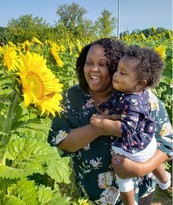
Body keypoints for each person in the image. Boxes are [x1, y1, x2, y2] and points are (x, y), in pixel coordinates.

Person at [48, 38, 172, 205]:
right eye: (89, 62)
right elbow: (60, 139)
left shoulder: (141, 96)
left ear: (115, 66)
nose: (94, 69)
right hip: (95, 195)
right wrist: (98, 128)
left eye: (103, 64)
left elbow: (166, 142)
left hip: (140, 190)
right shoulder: (71, 99)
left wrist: (140, 168)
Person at [90, 45, 171, 205]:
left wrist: (104, 124)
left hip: (134, 148)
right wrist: (110, 114)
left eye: (123, 73)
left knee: (123, 177)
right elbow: (120, 113)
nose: (116, 75)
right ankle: (165, 180)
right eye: (117, 70)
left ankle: (130, 202)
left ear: (140, 83)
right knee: (152, 153)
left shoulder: (133, 102)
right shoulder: (128, 93)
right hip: (147, 141)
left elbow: (127, 128)